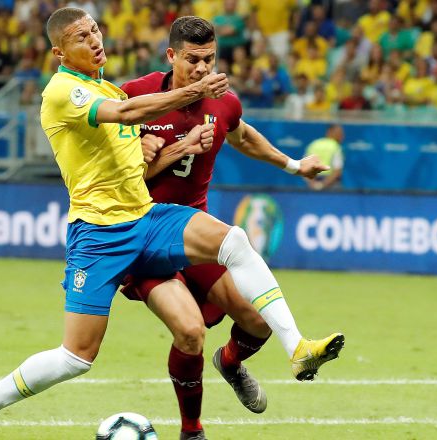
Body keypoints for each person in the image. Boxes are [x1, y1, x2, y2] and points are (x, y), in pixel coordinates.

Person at [0, 8, 344, 439]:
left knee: (235, 240)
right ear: (60, 51)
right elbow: (128, 113)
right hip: (100, 235)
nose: (95, 39)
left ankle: (298, 349)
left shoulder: (107, 86)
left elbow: (133, 160)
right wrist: (189, 98)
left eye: (95, 29)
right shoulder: (64, 92)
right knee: (76, 356)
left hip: (147, 217)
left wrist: (162, 150)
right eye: (81, 36)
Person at [119, 16, 337, 440]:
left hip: (194, 236)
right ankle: (192, 431)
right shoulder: (136, 97)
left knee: (257, 320)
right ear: (171, 56)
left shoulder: (224, 102)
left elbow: (242, 136)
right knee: (189, 332)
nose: (202, 69)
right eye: (192, 60)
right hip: (143, 234)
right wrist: (155, 152)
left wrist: (294, 165)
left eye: (209, 60)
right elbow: (120, 181)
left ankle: (232, 363)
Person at [303, 124, 344, 191]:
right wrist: (322, 185)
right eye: (339, 133)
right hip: (331, 185)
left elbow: (304, 167)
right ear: (330, 132)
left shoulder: (314, 144)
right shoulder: (336, 147)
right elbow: (337, 171)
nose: (342, 136)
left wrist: (313, 184)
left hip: (313, 182)